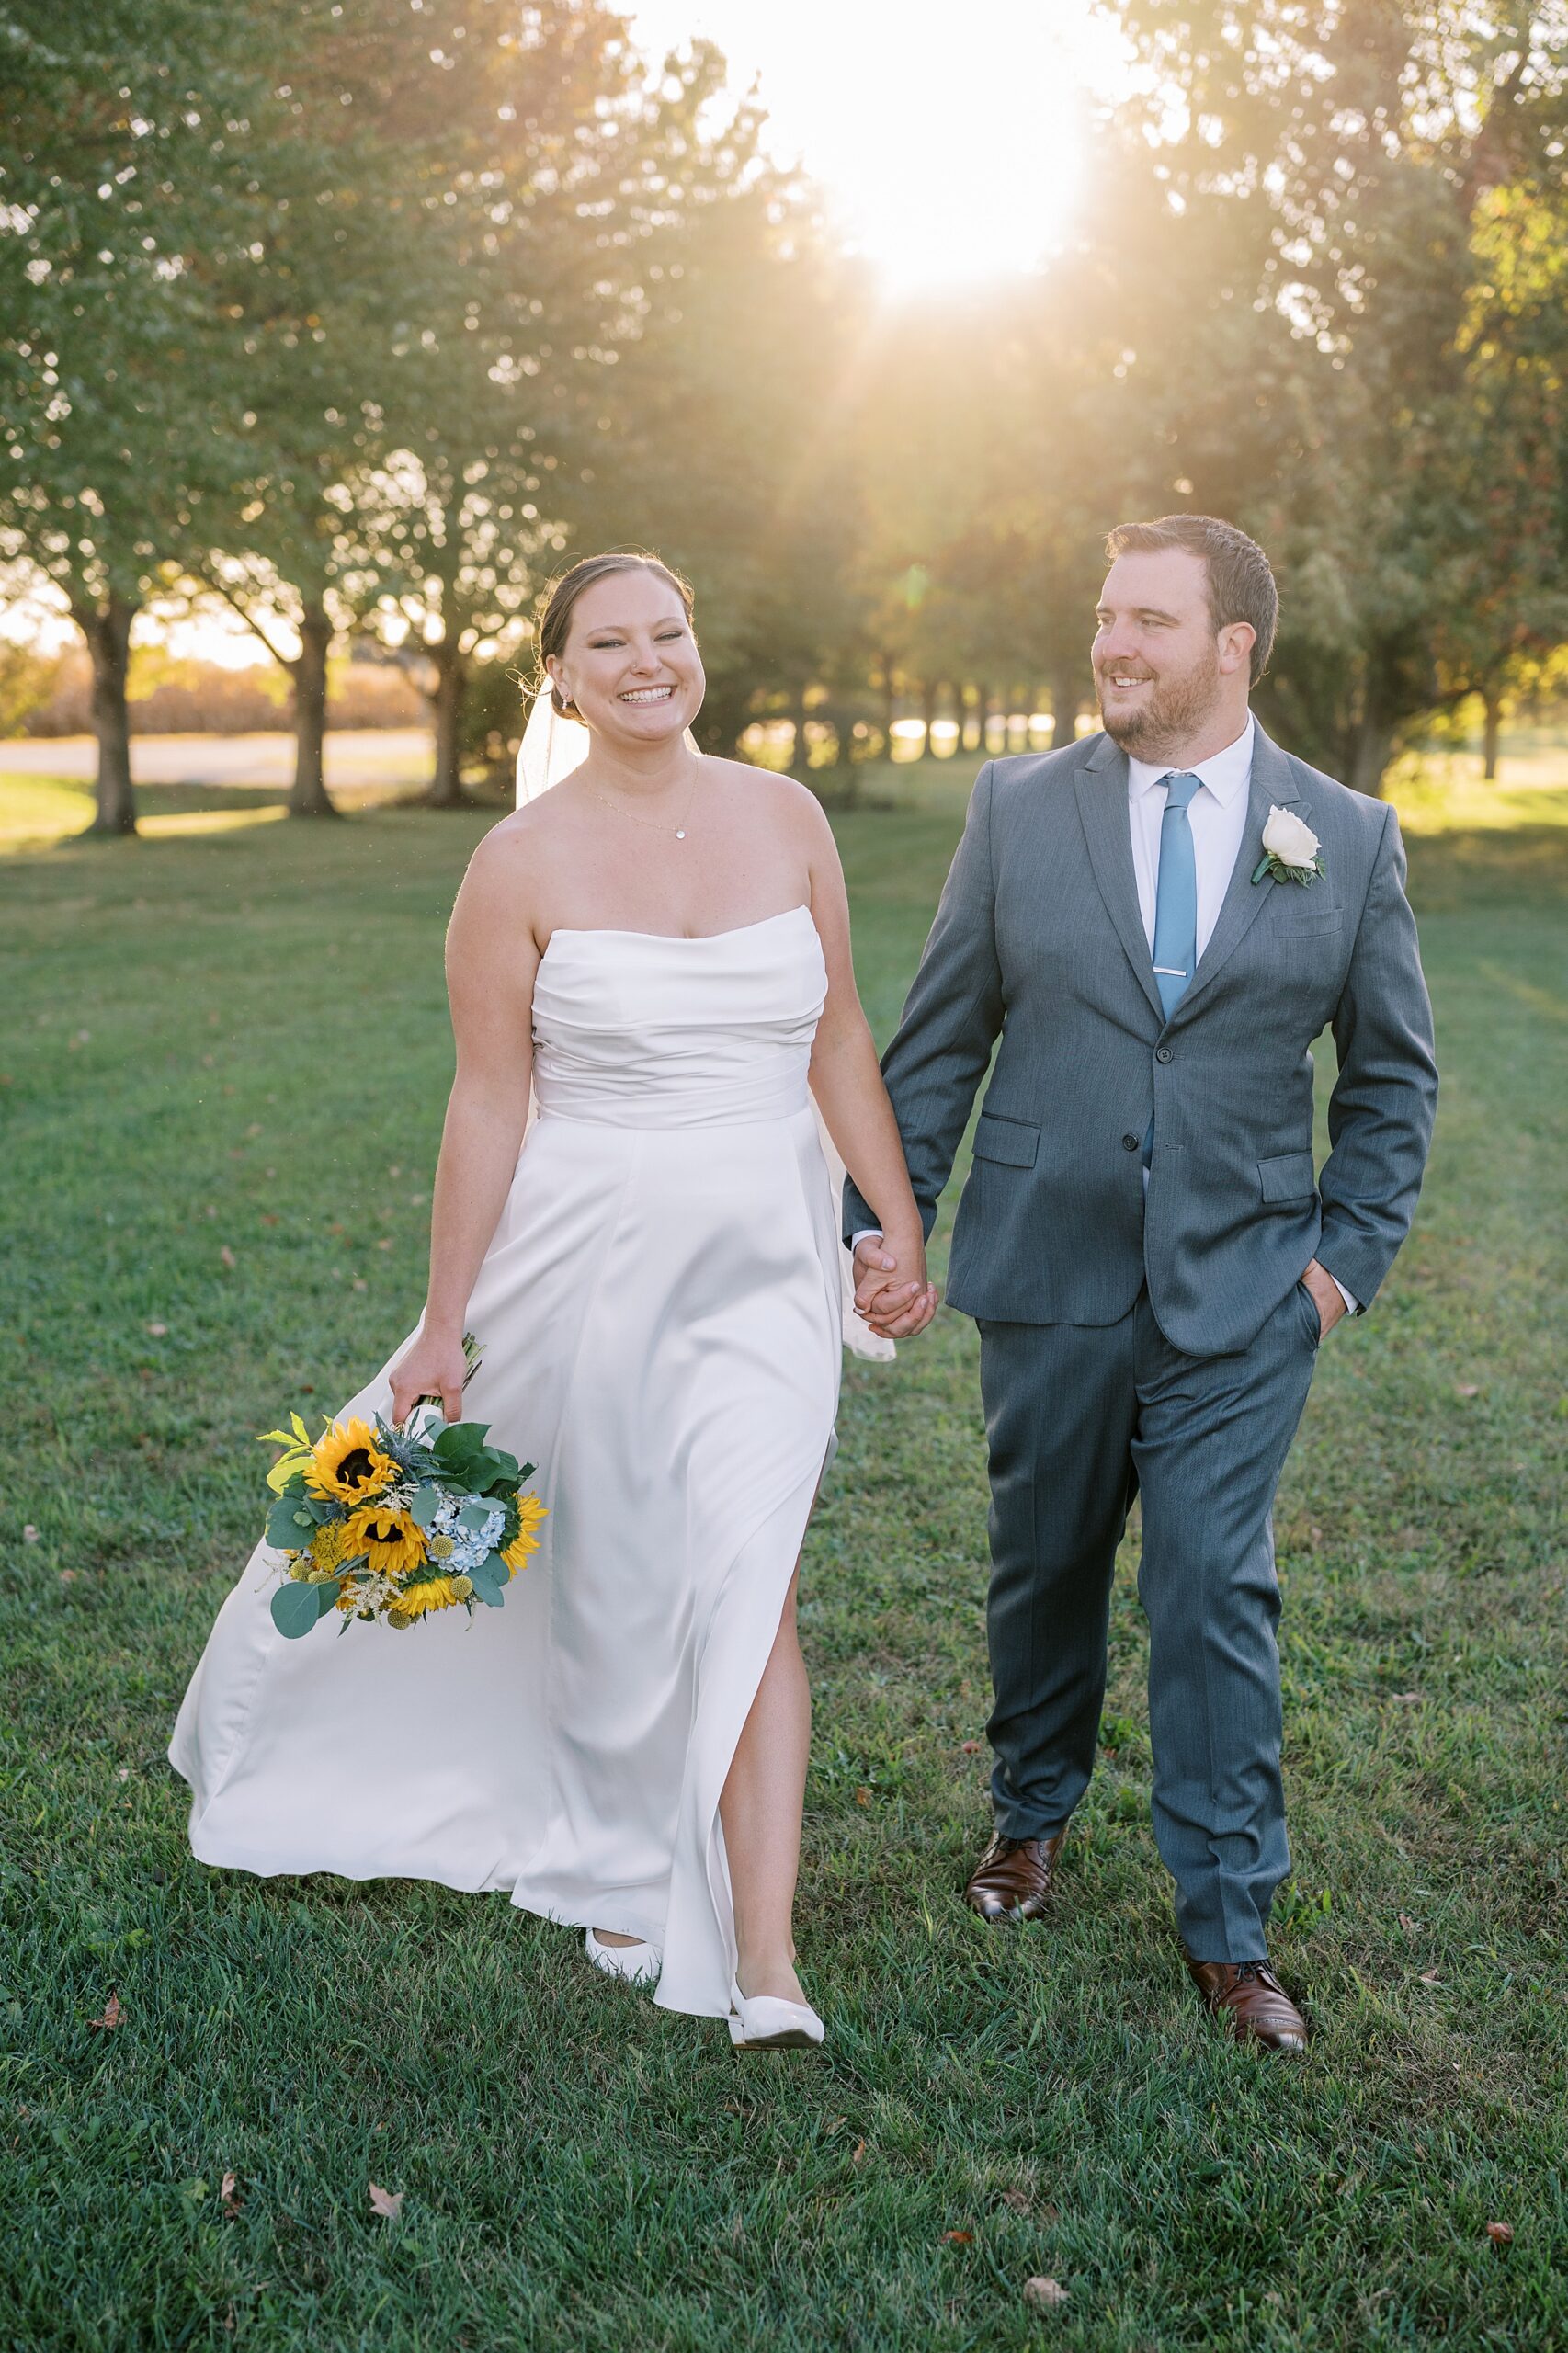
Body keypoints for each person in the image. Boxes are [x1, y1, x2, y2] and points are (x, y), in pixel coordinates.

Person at [171, 550, 936, 2051]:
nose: (647, 659)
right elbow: (486, 1103)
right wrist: (443, 1322)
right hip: (585, 1255)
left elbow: (838, 1033)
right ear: (562, 675)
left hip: (765, 1263)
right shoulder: (515, 863)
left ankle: (764, 1953)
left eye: (669, 628)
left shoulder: (788, 818)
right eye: (609, 641)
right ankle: (601, 1846)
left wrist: (893, 1221)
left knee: (752, 1567)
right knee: (615, 1571)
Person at [849, 515, 1437, 2052]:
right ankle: (1027, 1821)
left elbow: (1390, 1084)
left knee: (1210, 1590)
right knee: (1040, 1567)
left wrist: (1337, 1273)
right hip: (1045, 1269)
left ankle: (1229, 1926)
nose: (1111, 644)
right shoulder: (1016, 806)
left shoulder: (1346, 835)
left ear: (1232, 646)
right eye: (1104, 616)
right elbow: (937, 1042)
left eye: (1148, 623)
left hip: (1246, 1291)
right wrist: (888, 1220)